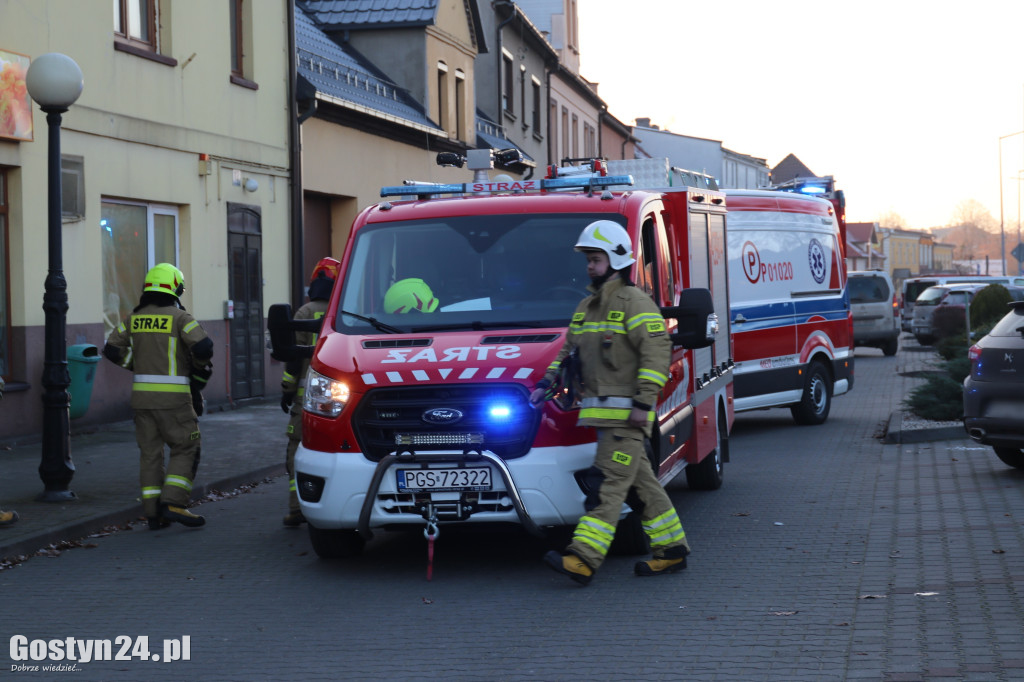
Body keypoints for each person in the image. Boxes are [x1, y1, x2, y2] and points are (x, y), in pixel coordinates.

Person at [531, 220, 690, 586]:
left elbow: (656, 351)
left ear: (617, 259)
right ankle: (672, 551)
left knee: (607, 487)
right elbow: (567, 352)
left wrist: (642, 403)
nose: (589, 265)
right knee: (642, 487)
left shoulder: (635, 303)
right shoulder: (588, 307)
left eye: (596, 258)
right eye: (588, 258)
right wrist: (544, 384)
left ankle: (583, 559)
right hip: (605, 418)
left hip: (625, 419)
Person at [103, 263, 214, 530]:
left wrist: (136, 364)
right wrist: (197, 369)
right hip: (174, 401)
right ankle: (174, 502)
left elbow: (111, 349)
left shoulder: (134, 319)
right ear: (174, 288)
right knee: (186, 446)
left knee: (150, 454)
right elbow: (204, 346)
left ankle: (153, 513)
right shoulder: (179, 318)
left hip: (142, 401)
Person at [280, 257, 339, 526]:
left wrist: (287, 389)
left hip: (304, 401)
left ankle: (296, 509)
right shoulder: (343, 312)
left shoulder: (304, 313)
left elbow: (293, 358)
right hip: (339, 400)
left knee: (296, 450)